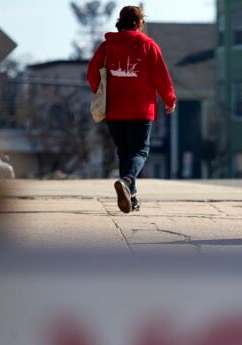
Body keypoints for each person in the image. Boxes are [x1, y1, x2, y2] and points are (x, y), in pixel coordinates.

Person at [87, 5, 176, 213]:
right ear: (139, 23)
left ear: (121, 21)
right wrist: (169, 99)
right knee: (140, 151)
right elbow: (161, 77)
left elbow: (92, 75)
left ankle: (132, 197)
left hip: (114, 109)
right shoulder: (148, 45)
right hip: (140, 110)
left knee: (124, 152)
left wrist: (101, 92)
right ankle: (127, 181)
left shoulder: (107, 47)